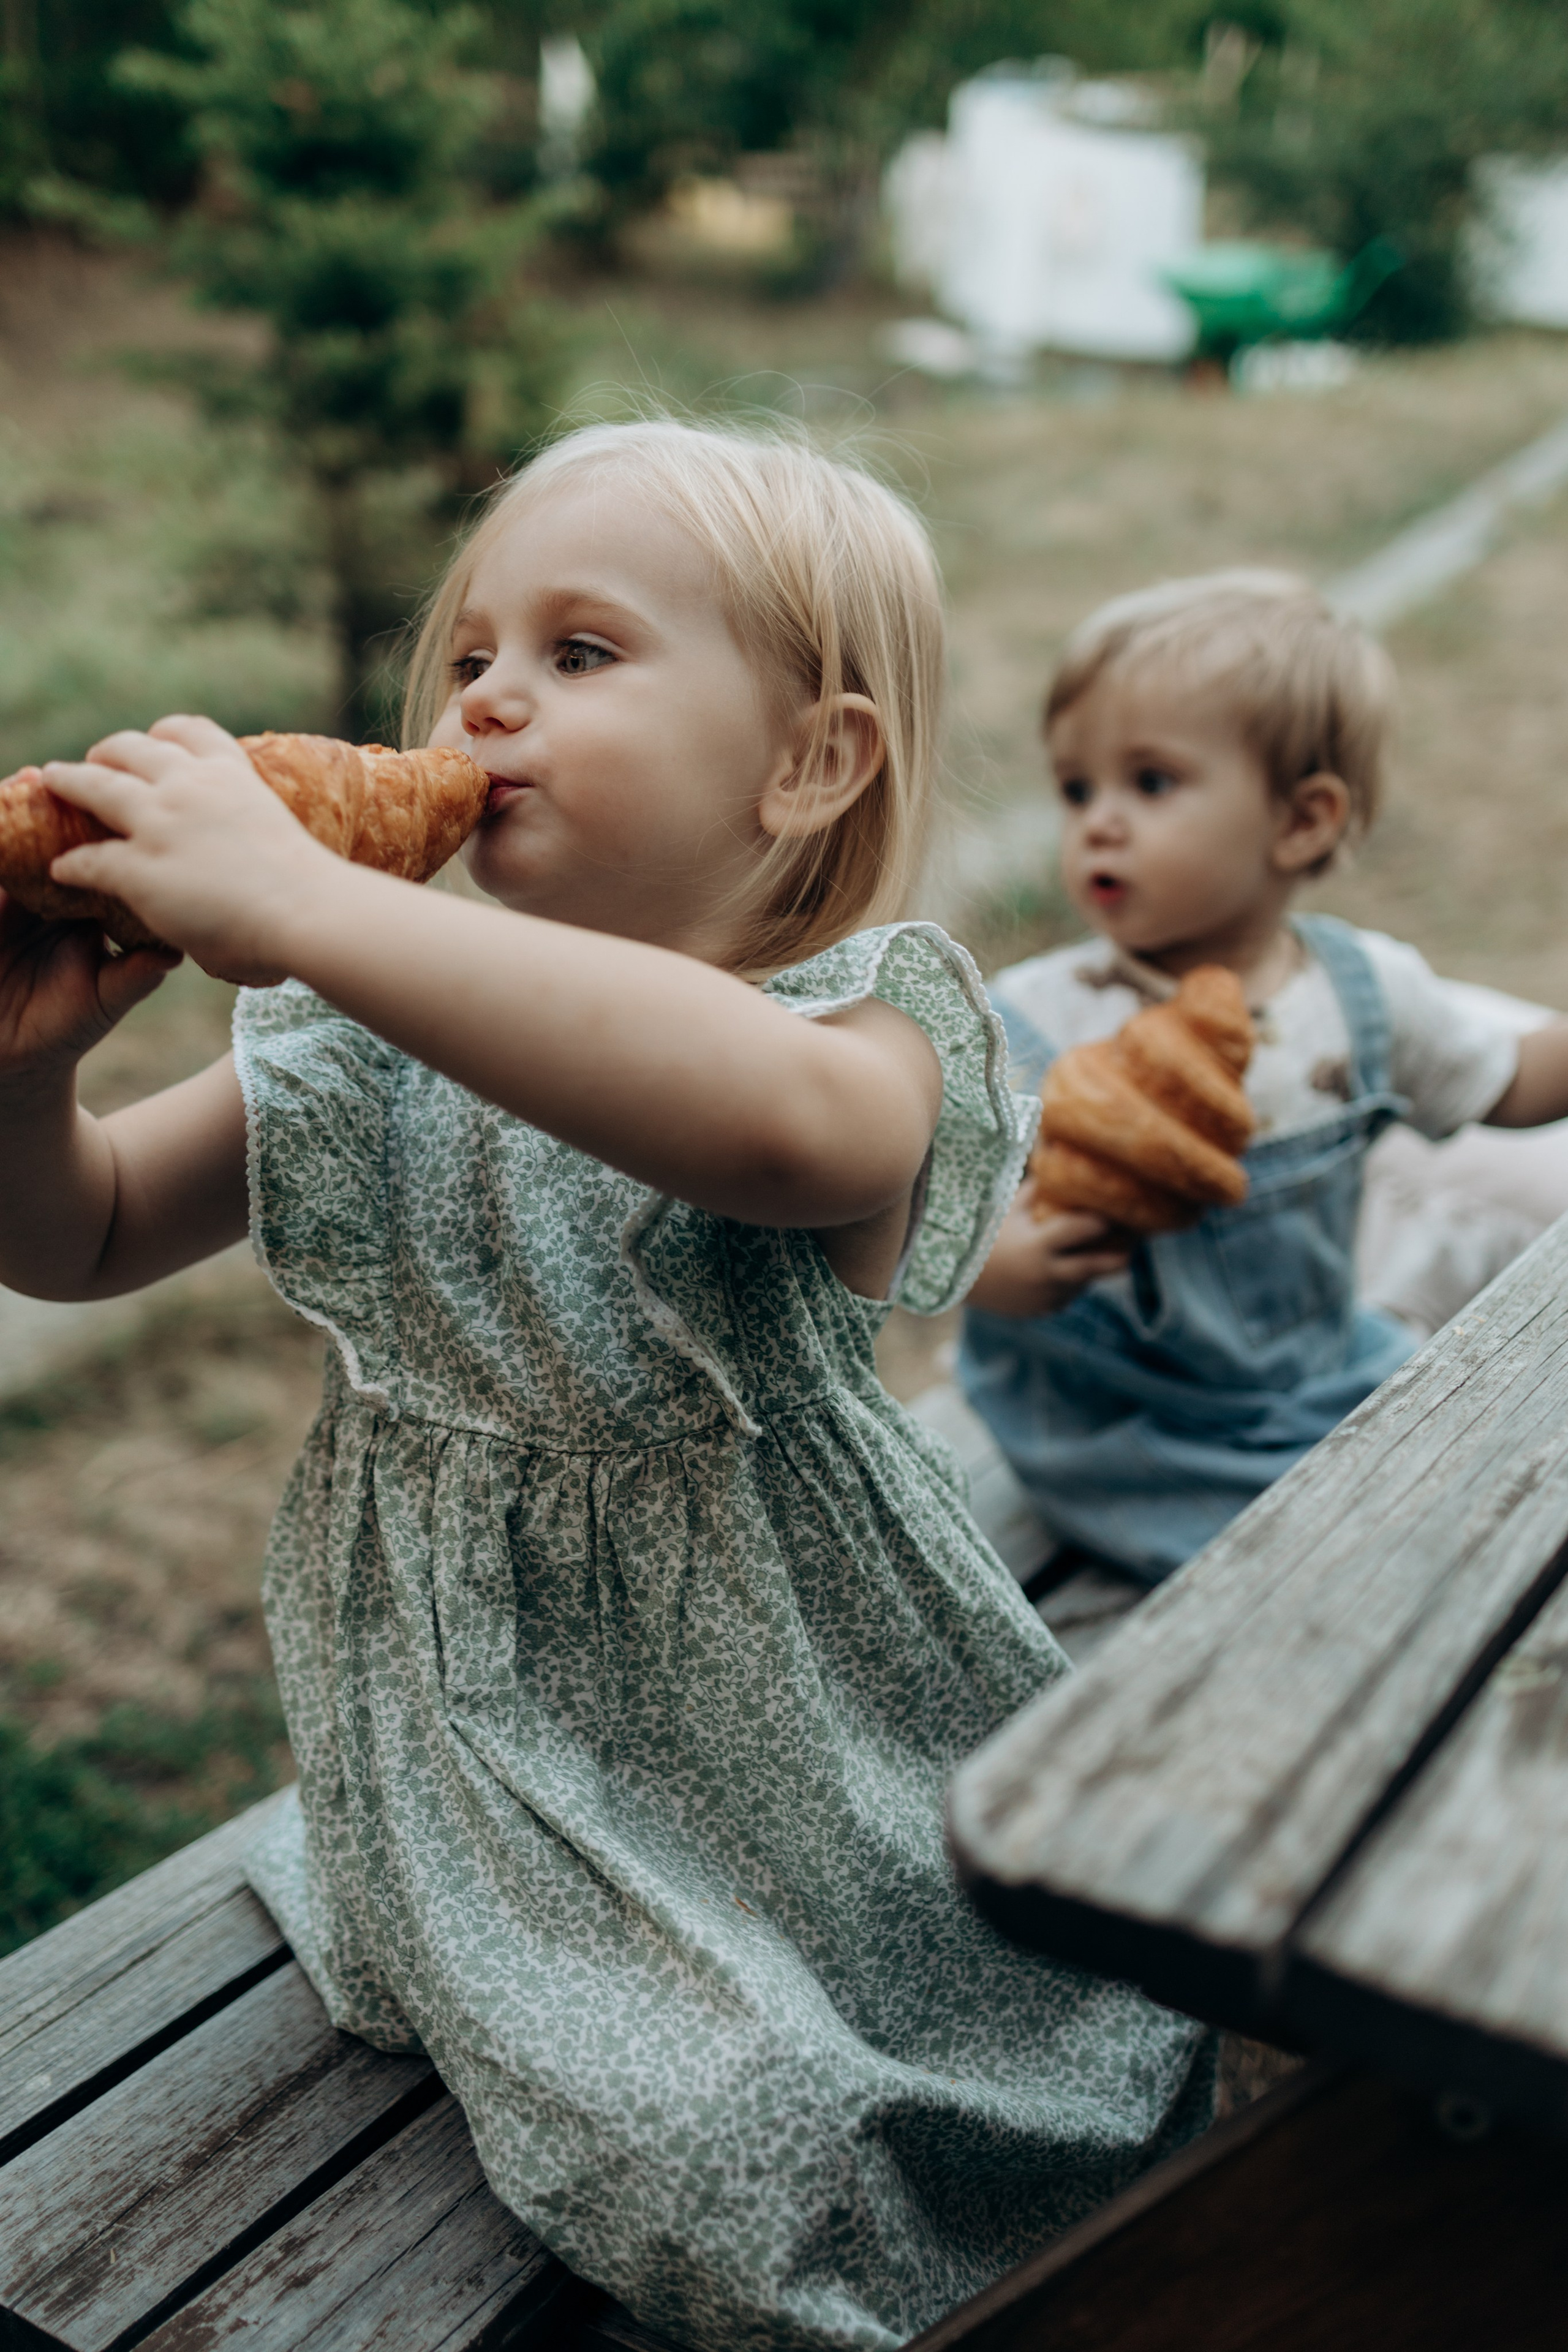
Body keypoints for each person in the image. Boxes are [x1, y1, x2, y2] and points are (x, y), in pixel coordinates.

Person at [0, 422, 1212, 2352]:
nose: (486, 697)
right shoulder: (359, 1034)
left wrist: (310, 907)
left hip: (806, 1737)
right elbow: (81, 1240)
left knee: (963, 2051)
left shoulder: (865, 1023)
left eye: (582, 654)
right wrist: (22, 1076)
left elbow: (774, 1141)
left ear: (809, 761)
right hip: (483, 1737)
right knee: (695, 2124)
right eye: (473, 651)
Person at [960, 570, 1568, 1586]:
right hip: (1124, 1427)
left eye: (1149, 783)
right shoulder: (1030, 1020)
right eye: (1078, 788)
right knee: (1323, 1576)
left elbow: (1512, 1086)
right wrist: (995, 1267)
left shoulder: (1361, 990)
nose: (1098, 822)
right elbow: (916, 1206)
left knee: (1498, 1495)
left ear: (1301, 823)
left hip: (1317, 1375)